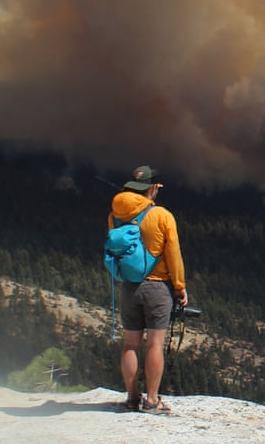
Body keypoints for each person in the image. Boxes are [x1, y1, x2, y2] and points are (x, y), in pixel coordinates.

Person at [110, 165, 187, 413]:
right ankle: (152, 400)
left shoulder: (115, 215)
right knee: (154, 345)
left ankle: (132, 398)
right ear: (154, 187)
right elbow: (173, 254)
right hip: (157, 287)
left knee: (130, 345)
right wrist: (179, 287)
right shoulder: (162, 215)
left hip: (129, 287)